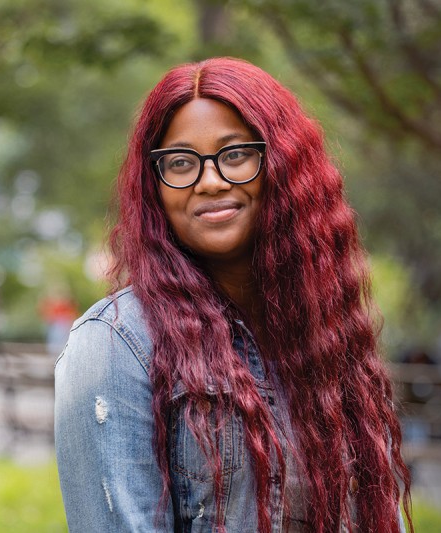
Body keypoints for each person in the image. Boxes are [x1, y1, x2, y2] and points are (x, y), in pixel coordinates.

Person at [54, 57, 412, 533]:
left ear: (281, 167)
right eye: (180, 162)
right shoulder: (117, 344)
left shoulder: (327, 335)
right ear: (154, 186)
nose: (210, 181)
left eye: (235, 154)